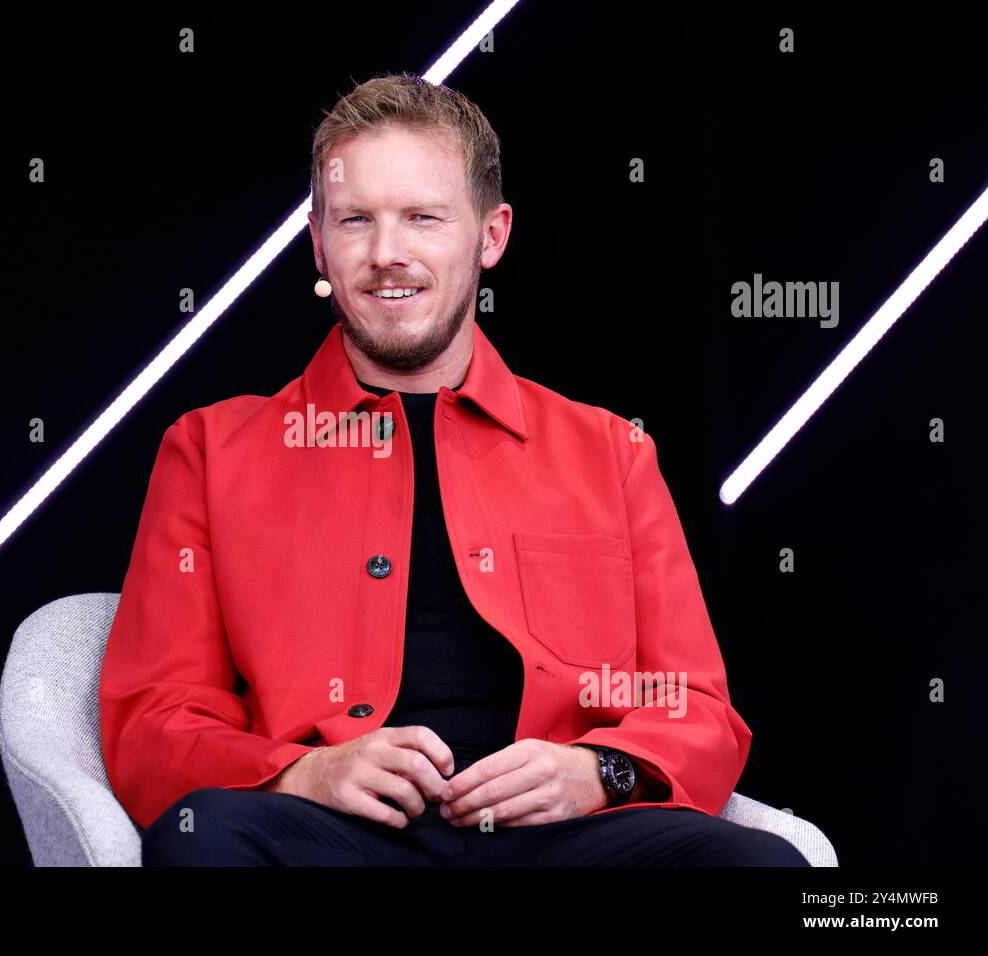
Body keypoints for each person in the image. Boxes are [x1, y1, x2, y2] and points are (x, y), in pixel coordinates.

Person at [99, 71, 808, 866]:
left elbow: (696, 708)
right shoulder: (208, 450)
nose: (386, 254)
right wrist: (302, 772)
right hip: (337, 840)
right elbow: (153, 720)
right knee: (207, 846)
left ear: (491, 235)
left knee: (758, 864)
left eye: (423, 219)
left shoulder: (610, 452)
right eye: (356, 220)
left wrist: (598, 771)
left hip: (559, 839)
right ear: (318, 240)